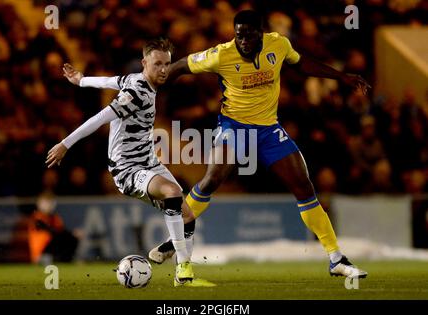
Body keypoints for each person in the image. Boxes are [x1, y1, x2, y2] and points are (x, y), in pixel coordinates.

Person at [150, 10, 370, 278]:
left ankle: (336, 258)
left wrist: (341, 76)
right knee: (212, 180)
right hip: (234, 127)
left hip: (268, 129)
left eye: (248, 35)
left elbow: (300, 63)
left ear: (261, 33)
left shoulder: (279, 44)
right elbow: (183, 65)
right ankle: (175, 241)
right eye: (238, 34)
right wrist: (151, 83)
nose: (242, 40)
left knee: (304, 186)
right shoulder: (221, 54)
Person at [46, 38, 214, 287]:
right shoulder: (137, 93)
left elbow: (110, 80)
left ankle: (180, 272)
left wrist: (82, 81)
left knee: (188, 216)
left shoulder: (135, 79)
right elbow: (99, 118)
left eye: (167, 64)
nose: (164, 70)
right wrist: (65, 144)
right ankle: (184, 267)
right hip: (127, 169)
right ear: (145, 63)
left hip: (149, 161)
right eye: (158, 64)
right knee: (172, 192)